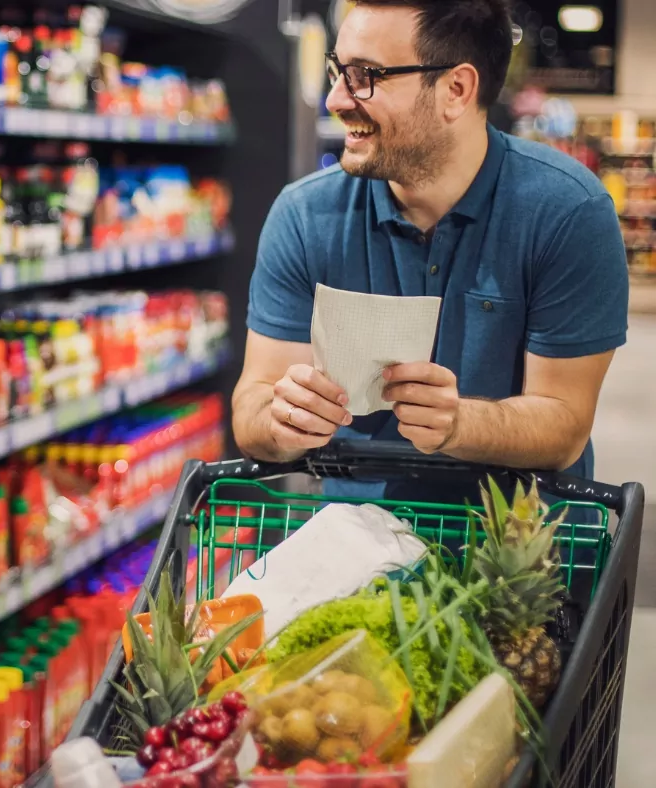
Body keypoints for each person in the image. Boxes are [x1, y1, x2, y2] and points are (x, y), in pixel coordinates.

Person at [232, 0, 629, 499]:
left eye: (365, 76)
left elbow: (565, 423)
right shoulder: (305, 214)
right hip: (351, 549)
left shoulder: (567, 212)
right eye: (338, 71)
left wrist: (461, 423)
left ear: (456, 90)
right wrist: (281, 420)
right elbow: (252, 408)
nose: (335, 98)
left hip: (521, 553)